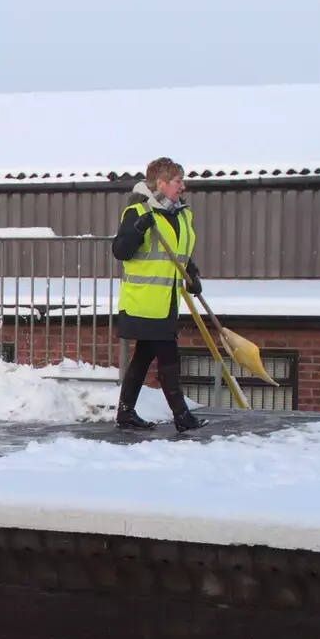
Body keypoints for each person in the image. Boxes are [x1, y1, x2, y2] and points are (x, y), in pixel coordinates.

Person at [112, 156, 208, 433]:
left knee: (143, 357)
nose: (183, 187)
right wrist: (137, 229)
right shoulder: (139, 212)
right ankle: (182, 416)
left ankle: (126, 414)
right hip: (143, 301)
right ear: (162, 183)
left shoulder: (181, 214)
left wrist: (192, 275)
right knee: (168, 356)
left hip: (167, 301)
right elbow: (121, 251)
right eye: (178, 181)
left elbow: (179, 254)